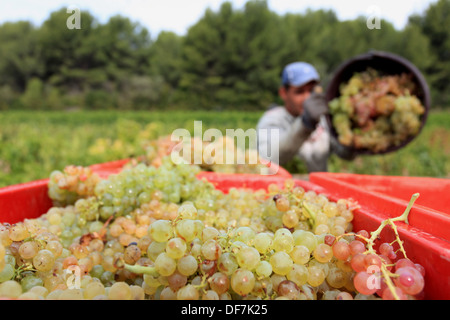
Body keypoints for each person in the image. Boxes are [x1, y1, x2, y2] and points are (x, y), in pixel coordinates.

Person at [256, 61, 355, 173]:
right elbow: (269, 157)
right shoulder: (273, 119)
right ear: (283, 93)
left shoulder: (323, 120)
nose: (308, 98)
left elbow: (345, 153)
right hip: (283, 188)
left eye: (312, 91)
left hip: (317, 189)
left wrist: (352, 133)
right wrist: (305, 124)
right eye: (299, 92)